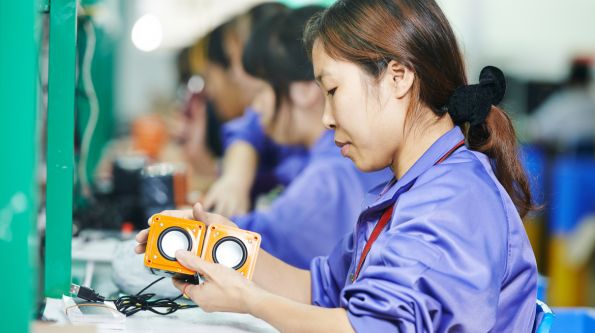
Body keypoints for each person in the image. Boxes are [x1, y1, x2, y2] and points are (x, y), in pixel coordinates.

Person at [135, 1, 538, 331]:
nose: (327, 117)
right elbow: (321, 288)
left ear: (398, 77)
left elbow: (370, 328)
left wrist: (250, 302)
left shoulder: (449, 201)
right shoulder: (412, 189)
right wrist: (231, 246)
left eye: (332, 89)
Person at [208, 6, 388, 269]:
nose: (255, 110)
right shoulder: (324, 155)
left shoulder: (330, 178)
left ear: (305, 90)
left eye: (260, 93)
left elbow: (257, 243)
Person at [528, 59, 595, 153]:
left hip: (565, 163)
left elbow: (536, 130)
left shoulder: (564, 103)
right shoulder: (592, 105)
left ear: (571, 78)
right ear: (588, 80)